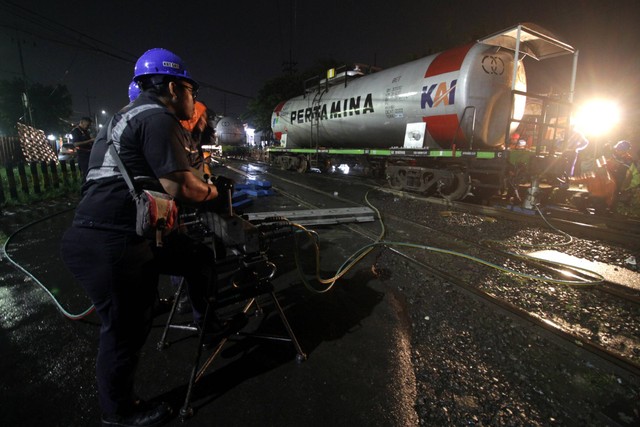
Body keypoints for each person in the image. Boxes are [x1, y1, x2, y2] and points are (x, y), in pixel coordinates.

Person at [60, 48, 233, 427]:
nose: (193, 98)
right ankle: (118, 412)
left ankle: (208, 326)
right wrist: (216, 193)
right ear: (173, 87)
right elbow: (183, 188)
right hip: (111, 242)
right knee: (126, 331)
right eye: (191, 89)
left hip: (123, 234)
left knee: (196, 257)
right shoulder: (158, 119)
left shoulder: (128, 117)